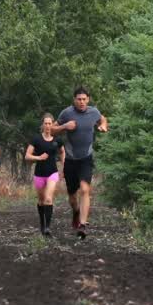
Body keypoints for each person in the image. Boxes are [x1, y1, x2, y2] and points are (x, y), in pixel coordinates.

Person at [50, 86, 108, 239]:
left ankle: (82, 224)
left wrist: (103, 125)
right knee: (72, 195)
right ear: (74, 100)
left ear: (88, 99)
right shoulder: (67, 113)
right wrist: (64, 126)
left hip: (86, 158)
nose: (81, 102)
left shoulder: (93, 112)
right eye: (79, 99)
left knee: (85, 189)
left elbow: (102, 118)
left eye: (84, 99)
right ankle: (76, 211)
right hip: (70, 160)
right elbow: (52, 130)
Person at [24, 113, 65, 236]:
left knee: (48, 198)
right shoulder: (36, 139)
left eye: (50, 123)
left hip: (52, 172)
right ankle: (42, 224)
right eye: (46, 123)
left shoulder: (57, 140)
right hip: (39, 174)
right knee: (41, 201)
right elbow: (27, 156)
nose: (48, 126)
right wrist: (39, 157)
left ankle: (47, 227)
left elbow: (63, 152)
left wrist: (64, 165)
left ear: (53, 125)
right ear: (42, 125)